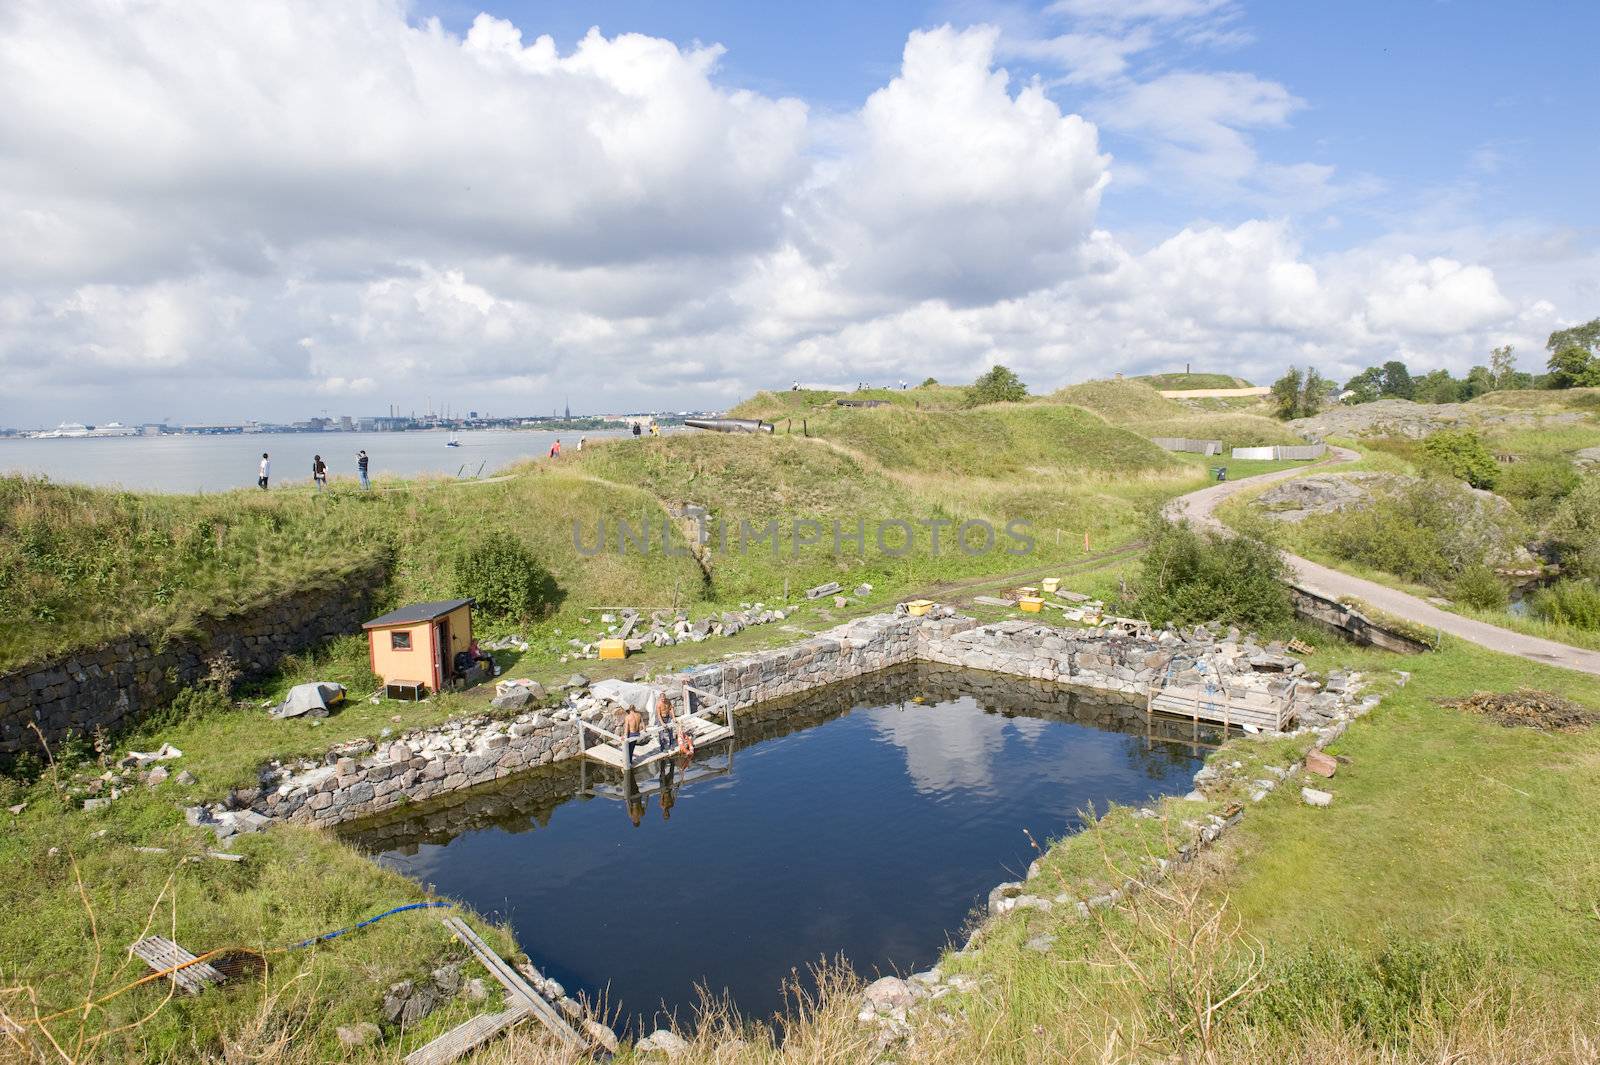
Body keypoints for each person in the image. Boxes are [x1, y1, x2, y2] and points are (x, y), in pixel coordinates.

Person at [621, 703, 645, 770]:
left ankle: (629, 762)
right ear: (634, 709)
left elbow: (626, 728)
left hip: (631, 734)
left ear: (629, 710)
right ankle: (629, 761)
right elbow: (643, 723)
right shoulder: (639, 715)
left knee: (628, 749)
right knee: (632, 748)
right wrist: (645, 730)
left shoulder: (628, 717)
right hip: (637, 733)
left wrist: (625, 736)